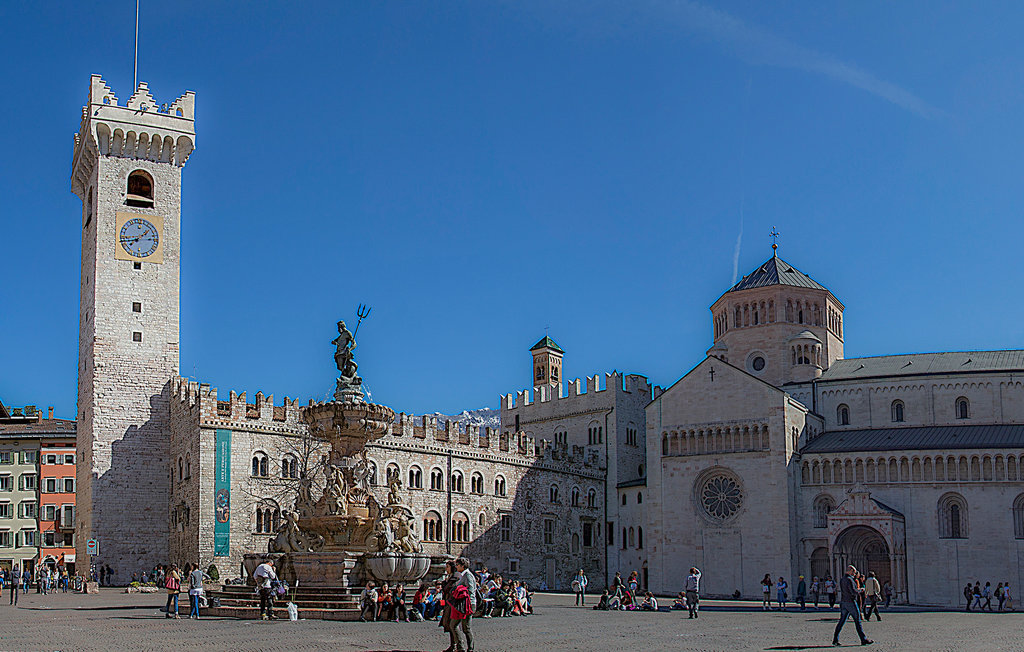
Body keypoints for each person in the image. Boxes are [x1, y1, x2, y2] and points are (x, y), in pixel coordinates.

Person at [832, 565, 872, 647]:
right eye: (854, 572)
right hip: (851, 602)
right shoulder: (850, 580)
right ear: (850, 571)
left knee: (842, 621)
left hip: (843, 602)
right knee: (857, 621)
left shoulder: (842, 579)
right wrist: (860, 590)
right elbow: (853, 591)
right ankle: (863, 639)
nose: (855, 574)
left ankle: (835, 639)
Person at [453, 558, 477, 652]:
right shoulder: (464, 575)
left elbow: (471, 589)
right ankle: (461, 647)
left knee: (466, 627)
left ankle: (469, 648)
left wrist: (460, 592)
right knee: (455, 625)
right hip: (464, 603)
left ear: (462, 566)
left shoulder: (468, 575)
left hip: (468, 604)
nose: (456, 567)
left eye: (457, 565)